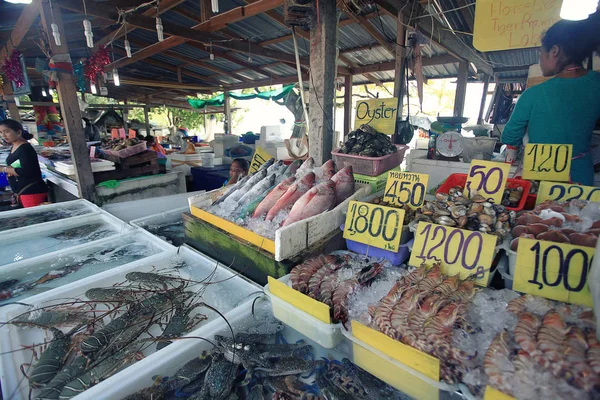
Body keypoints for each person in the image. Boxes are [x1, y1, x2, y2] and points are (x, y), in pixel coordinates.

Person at [502, 14, 600, 185]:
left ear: (554, 51)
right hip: (581, 175)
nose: (540, 60)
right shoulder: (596, 84)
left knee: (542, 212)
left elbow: (510, 135)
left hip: (541, 174)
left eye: (541, 52)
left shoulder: (534, 94)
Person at [1, 119, 48, 208]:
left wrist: (3, 169)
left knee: (35, 218)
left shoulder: (25, 149)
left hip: (31, 192)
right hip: (22, 191)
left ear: (18, 132)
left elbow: (26, 171)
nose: (3, 135)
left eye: (6, 132)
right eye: (1, 132)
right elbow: (18, 164)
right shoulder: (15, 145)